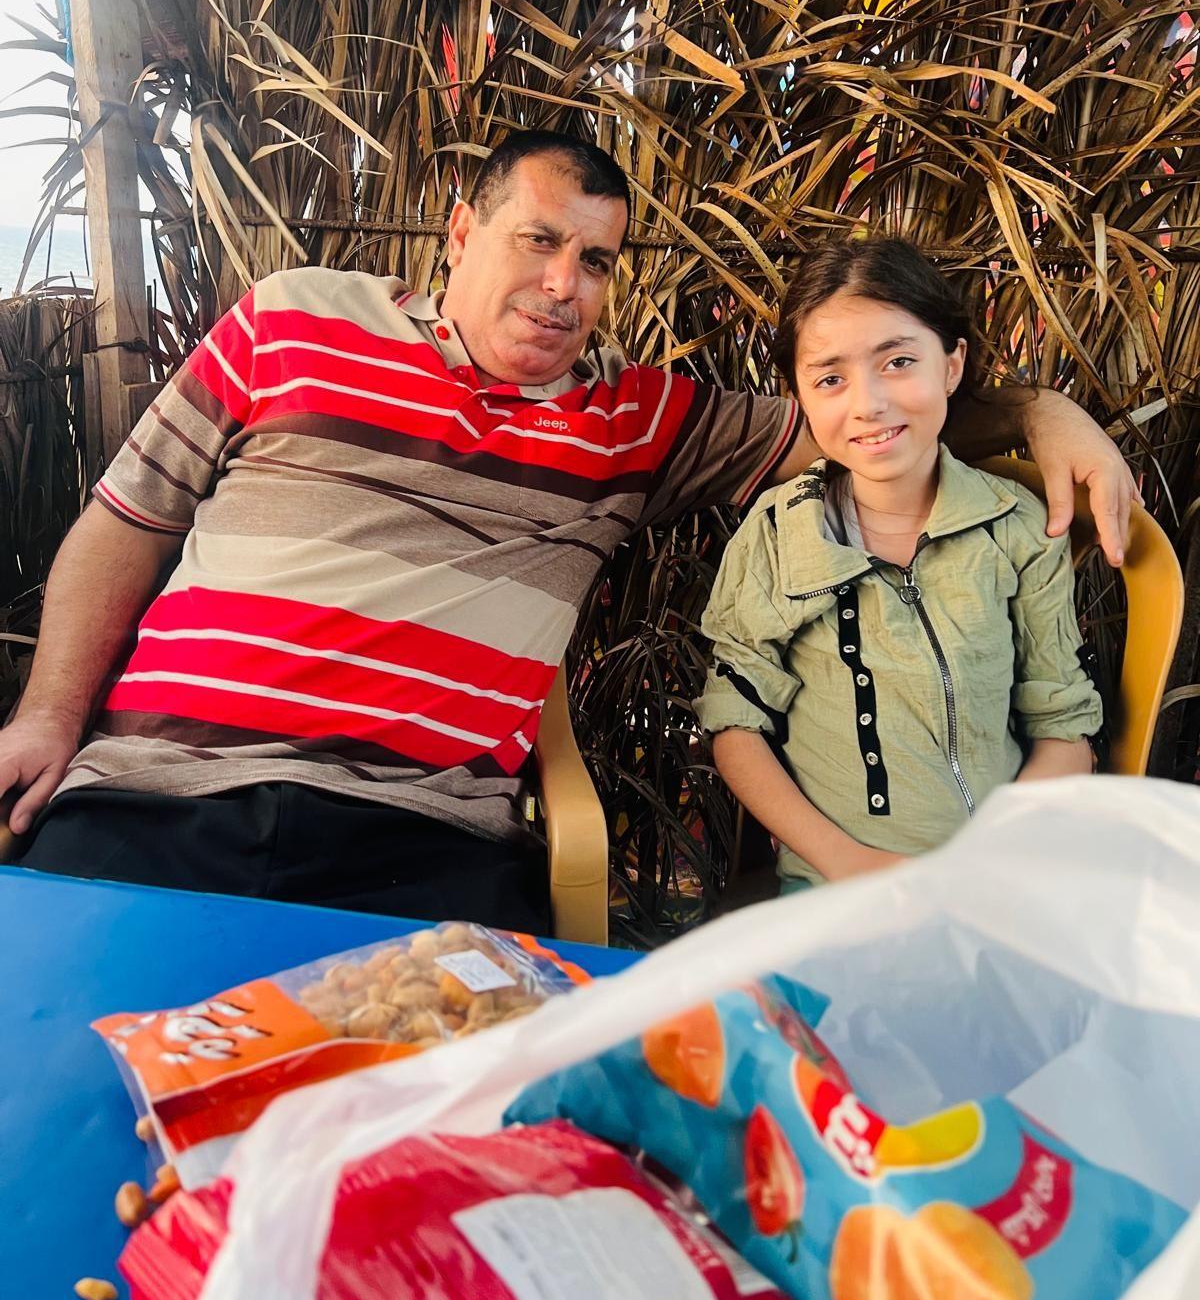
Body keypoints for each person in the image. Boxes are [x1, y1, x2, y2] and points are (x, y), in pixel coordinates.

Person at [2, 132, 1134, 928]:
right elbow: (126, 523)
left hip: (417, 838)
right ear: (460, 232)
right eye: (537, 242)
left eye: (594, 261)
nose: (562, 285)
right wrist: (50, 714)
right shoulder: (292, 317)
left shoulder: (637, 422)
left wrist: (1041, 412)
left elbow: (869, 409)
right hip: (157, 795)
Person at [696, 237, 1103, 894]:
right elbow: (733, 722)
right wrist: (845, 862)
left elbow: (1065, 727)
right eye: (831, 378)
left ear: (951, 365)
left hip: (999, 884)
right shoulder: (778, 534)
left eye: (898, 362)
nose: (869, 403)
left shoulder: (1016, 528)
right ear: (799, 394)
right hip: (837, 891)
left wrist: (992, 863)